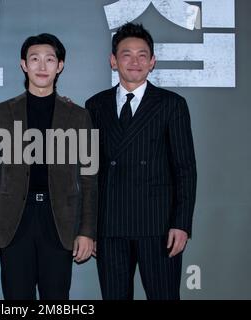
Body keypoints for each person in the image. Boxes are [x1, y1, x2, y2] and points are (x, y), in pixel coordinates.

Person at [0, 33, 97, 300]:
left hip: (59, 222)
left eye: (49, 59)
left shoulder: (79, 116)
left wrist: (87, 231)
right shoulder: (2, 113)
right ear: (23, 64)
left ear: (60, 65)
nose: (42, 66)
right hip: (13, 222)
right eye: (34, 59)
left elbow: (90, 178)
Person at [85, 23, 197, 300]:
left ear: (152, 62)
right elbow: (88, 173)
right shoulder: (95, 105)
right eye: (126, 54)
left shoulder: (171, 104)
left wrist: (181, 224)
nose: (134, 62)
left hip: (158, 226)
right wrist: (89, 228)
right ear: (113, 61)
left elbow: (185, 170)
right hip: (110, 226)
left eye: (142, 55)